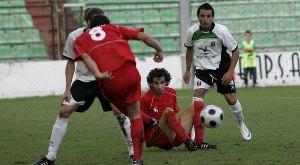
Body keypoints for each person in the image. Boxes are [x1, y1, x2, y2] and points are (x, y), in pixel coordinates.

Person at [32, 8, 133, 165]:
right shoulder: (75, 36)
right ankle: (50, 156)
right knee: (64, 111)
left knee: (120, 114)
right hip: (84, 81)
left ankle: (133, 153)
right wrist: (67, 89)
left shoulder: (112, 34)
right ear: (86, 22)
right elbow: (70, 62)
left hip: (107, 79)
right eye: (92, 22)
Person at [73, 15, 164, 165]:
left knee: (122, 108)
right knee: (135, 117)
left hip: (110, 79)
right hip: (130, 73)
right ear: (107, 24)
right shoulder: (114, 28)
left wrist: (98, 74)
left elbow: (86, 58)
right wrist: (159, 49)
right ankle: (137, 159)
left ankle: (147, 120)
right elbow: (143, 36)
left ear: (90, 26)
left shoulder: (81, 39)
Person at [183, 3, 252, 141]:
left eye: (208, 16)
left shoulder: (222, 31)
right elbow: (189, 49)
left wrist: (230, 71)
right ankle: (195, 131)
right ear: (198, 17)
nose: (205, 19)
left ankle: (241, 124)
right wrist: (187, 70)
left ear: (213, 17)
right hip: (202, 70)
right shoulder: (192, 32)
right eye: (202, 16)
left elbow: (235, 51)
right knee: (197, 97)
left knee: (232, 99)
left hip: (222, 69)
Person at [141, 68, 216, 151]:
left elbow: (173, 117)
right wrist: (149, 141)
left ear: (166, 82)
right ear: (151, 84)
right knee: (168, 111)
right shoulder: (145, 99)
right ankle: (187, 141)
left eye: (162, 82)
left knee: (198, 104)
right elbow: (142, 121)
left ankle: (199, 142)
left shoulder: (172, 92)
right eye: (156, 83)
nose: (159, 86)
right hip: (158, 138)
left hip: (175, 136)